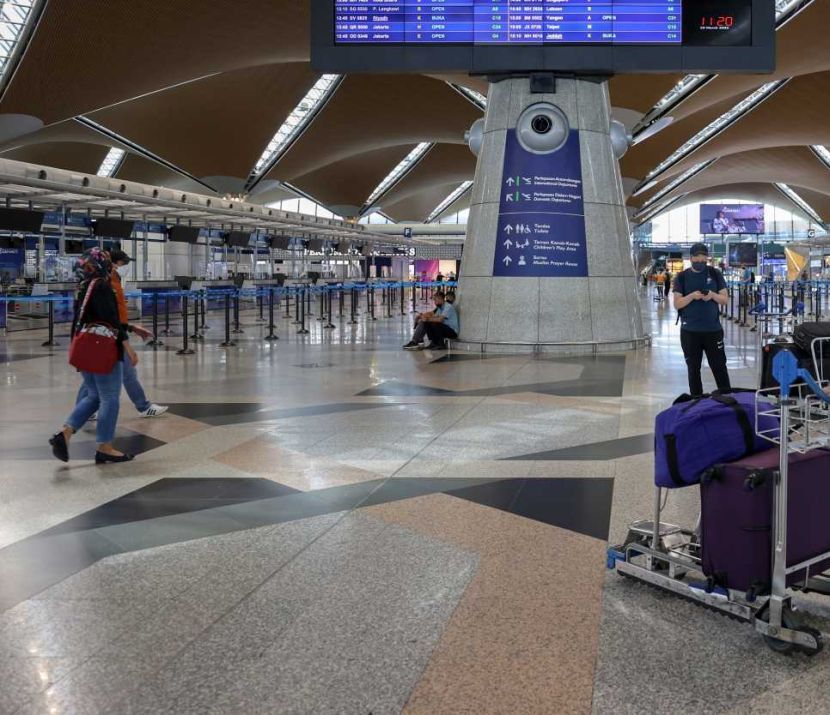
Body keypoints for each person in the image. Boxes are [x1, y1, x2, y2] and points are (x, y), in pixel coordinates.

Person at [49, 249, 135, 464]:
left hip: (85, 347)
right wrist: (127, 347)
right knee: (110, 398)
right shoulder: (103, 286)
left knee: (94, 396)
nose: (113, 267)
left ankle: (65, 433)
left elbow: (87, 317)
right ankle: (105, 446)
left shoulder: (83, 287)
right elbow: (111, 320)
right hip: (103, 348)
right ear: (101, 264)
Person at [77, 249, 168, 419]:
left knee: (97, 375)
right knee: (124, 373)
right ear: (113, 263)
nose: (125, 266)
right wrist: (125, 338)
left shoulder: (114, 279)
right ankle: (143, 406)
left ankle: (83, 411)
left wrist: (130, 327)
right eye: (123, 263)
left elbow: (116, 309)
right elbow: (108, 312)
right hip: (109, 333)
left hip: (114, 330)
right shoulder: (103, 282)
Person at [673, 243, 732, 397]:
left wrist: (712, 295)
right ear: (691, 258)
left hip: (713, 331)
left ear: (707, 257)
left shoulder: (715, 273)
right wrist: (692, 296)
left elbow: (725, 299)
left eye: (703, 257)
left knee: (719, 366)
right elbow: (677, 303)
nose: (700, 260)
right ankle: (696, 399)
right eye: (696, 257)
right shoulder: (682, 277)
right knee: (693, 368)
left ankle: (727, 399)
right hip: (690, 332)